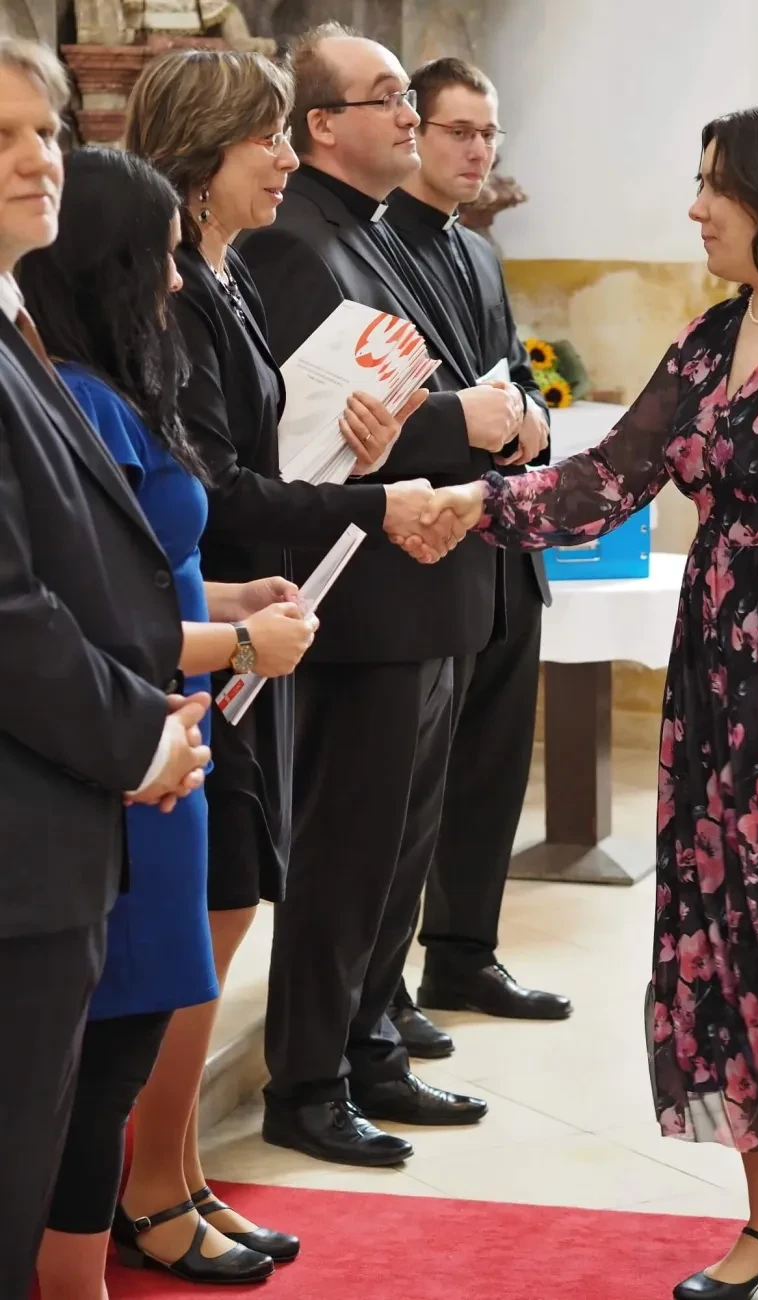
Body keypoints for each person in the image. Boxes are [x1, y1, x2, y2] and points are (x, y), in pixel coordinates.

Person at [414, 100, 758, 1300]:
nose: (695, 206)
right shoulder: (716, 335)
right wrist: (471, 508)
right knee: (726, 945)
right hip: (724, 693)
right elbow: (609, 477)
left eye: (716, 184)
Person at [122, 48, 435, 1271]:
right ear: (206, 152)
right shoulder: (173, 290)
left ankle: (180, 1172)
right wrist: (373, 503)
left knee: (236, 889)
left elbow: (259, 453)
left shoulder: (230, 272)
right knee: (210, 903)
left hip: (255, 612)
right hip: (205, 621)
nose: (289, 158)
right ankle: (151, 1184)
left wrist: (356, 453)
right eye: (269, 136)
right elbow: (212, 485)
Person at [19, 145, 322, 1295]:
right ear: (109, 263)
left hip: (166, 733)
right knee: (112, 1042)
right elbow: (93, 615)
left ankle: (156, 1197)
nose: (180, 279)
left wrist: (230, 601)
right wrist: (240, 645)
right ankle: (88, 1260)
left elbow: (150, 572)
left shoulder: (102, 383)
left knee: (137, 1024)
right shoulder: (82, 399)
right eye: (160, 255)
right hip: (127, 740)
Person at [236, 23, 528, 1166]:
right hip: (363, 588)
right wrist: (466, 421)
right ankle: (308, 1081)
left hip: (435, 576)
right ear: (321, 126)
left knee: (402, 844)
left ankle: (370, 1046)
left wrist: (487, 417)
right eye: (389, 97)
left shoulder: (378, 227)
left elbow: (426, 387)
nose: (410, 114)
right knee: (348, 850)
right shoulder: (295, 240)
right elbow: (312, 431)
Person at [0, 38, 209, 1300]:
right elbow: (9, 611)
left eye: (47, 130)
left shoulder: (17, 332)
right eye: (3, 136)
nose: (40, 158)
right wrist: (142, 729)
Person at [384, 57, 571, 1058]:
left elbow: (508, 373)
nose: (477, 150)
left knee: (496, 758)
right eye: (458, 130)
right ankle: (381, 984)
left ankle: (464, 951)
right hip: (428, 537)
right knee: (412, 781)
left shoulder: (479, 252)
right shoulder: (376, 244)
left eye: (489, 134)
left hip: (503, 537)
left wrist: (532, 419)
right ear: (411, 129)